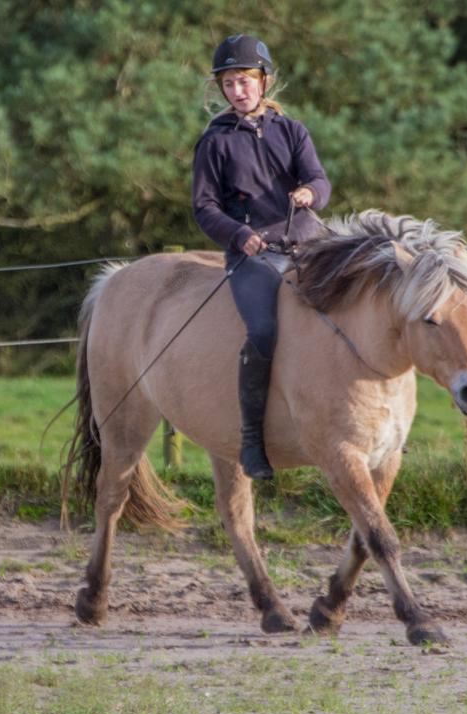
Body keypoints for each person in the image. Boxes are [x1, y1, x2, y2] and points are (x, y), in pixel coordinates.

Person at [192, 34, 332, 480]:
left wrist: (310, 193)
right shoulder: (214, 142)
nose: (238, 90)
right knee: (264, 330)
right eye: (229, 83)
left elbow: (320, 180)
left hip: (306, 241)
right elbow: (205, 208)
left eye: (245, 80)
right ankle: (252, 439)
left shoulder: (292, 130)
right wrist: (239, 235)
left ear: (264, 81)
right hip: (253, 253)